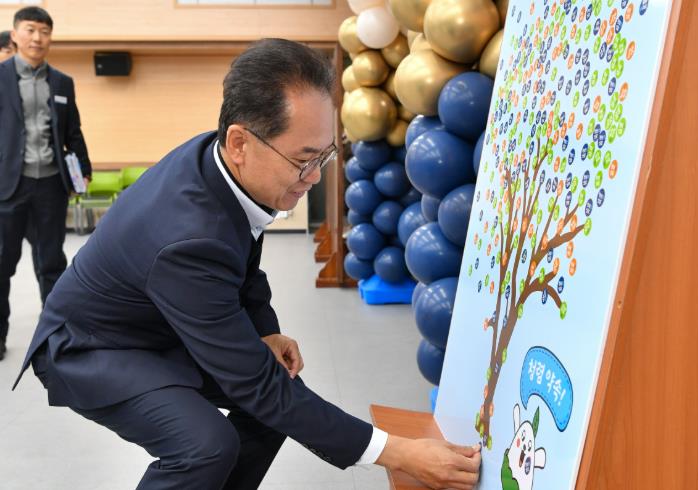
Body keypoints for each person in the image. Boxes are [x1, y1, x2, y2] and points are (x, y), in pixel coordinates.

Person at [14, 39, 480, 489]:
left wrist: (264, 330)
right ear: (239, 142)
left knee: (275, 398)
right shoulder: (187, 239)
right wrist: (399, 453)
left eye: (325, 154)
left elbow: (242, 259)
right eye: (304, 160)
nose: (315, 176)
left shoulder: (219, 162)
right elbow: (257, 383)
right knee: (205, 445)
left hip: (156, 319)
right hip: (92, 346)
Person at [0, 7, 92, 361]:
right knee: (3, 264)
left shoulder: (62, 82)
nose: (37, 38)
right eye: (30, 29)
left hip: (51, 185)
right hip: (8, 186)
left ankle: (54, 336)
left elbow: (73, 132)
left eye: (44, 31)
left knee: (52, 262)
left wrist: (83, 168)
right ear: (15, 34)